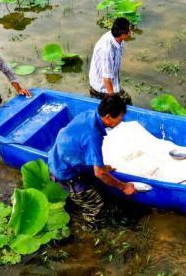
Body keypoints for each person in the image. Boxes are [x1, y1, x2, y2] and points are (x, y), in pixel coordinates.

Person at [48, 95, 136, 228]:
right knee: (97, 205)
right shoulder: (93, 136)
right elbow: (99, 173)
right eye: (119, 118)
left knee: (99, 184)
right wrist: (123, 186)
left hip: (58, 158)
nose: (120, 121)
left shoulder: (88, 115)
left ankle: (76, 201)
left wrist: (103, 167)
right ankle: (90, 227)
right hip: (64, 174)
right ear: (107, 117)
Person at [89, 17, 132, 105]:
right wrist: (113, 100)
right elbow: (106, 79)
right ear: (123, 34)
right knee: (122, 104)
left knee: (127, 100)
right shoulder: (107, 49)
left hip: (112, 83)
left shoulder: (117, 38)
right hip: (101, 89)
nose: (131, 31)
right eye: (129, 29)